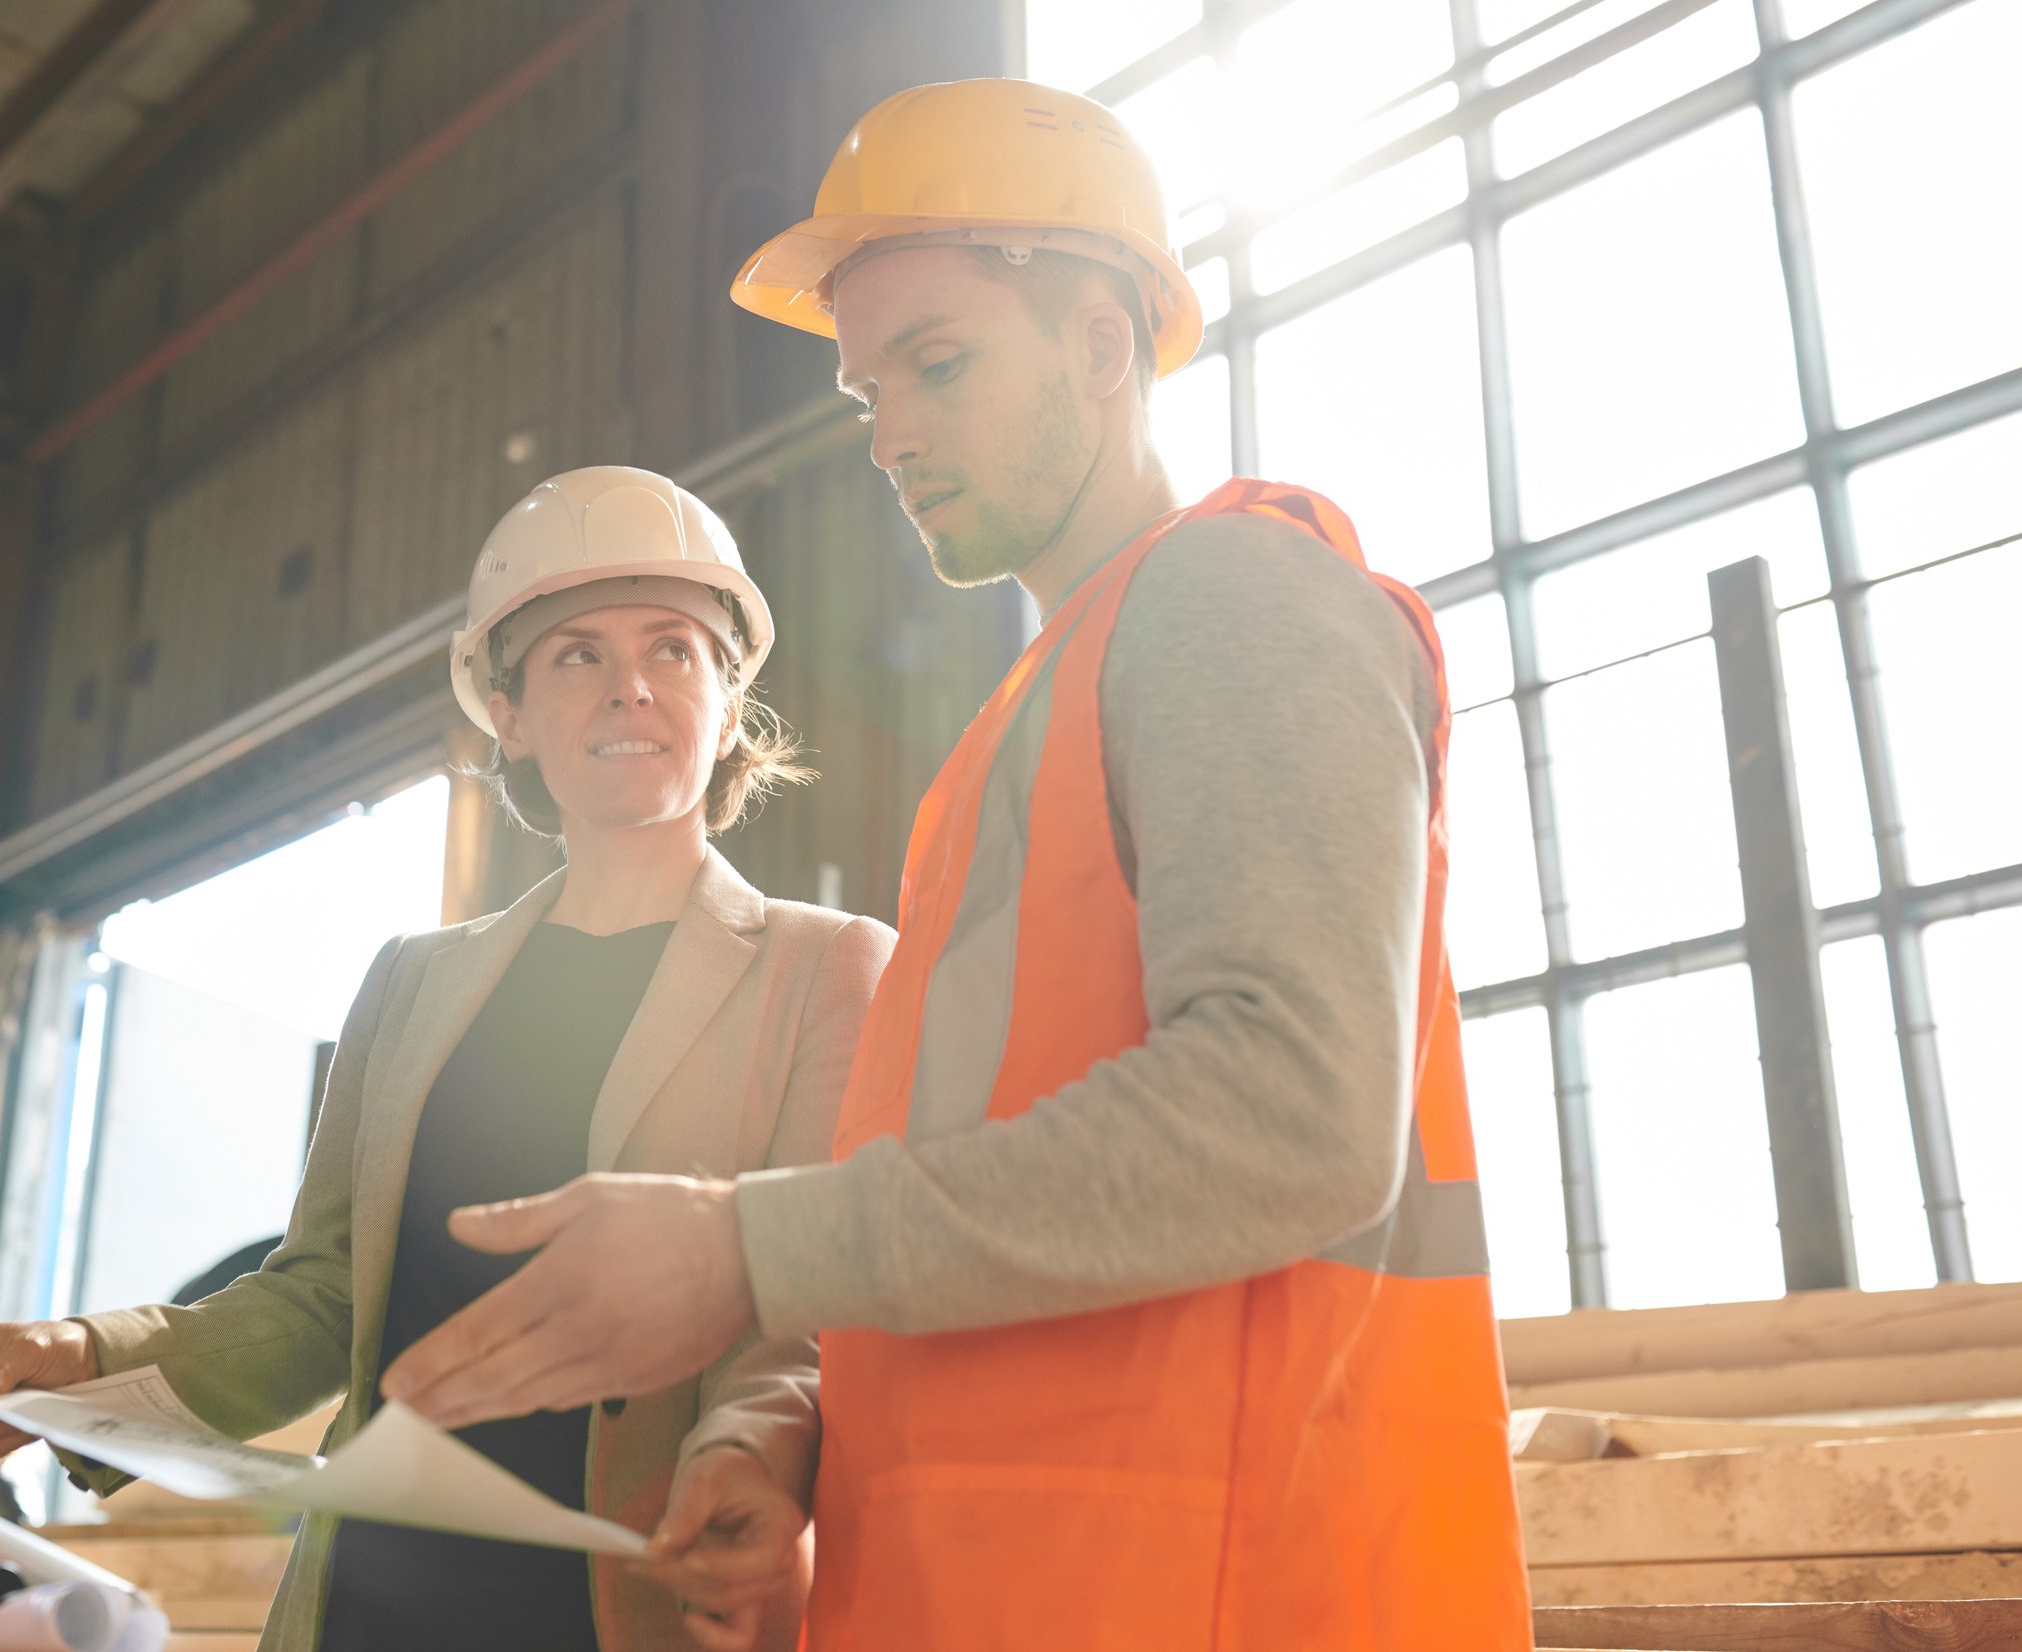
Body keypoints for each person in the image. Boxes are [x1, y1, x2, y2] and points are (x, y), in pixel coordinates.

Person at [376, 81, 1532, 1649]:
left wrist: (741, 1245)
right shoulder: (1022, 728)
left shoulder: (1233, 599)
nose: (892, 433)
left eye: (938, 364)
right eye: (869, 394)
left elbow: (1290, 1112)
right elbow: (999, 1211)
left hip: (1220, 1595)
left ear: (1106, 345)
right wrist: (787, 1437)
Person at [0, 466, 892, 1652]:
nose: (631, 686)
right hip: (371, 1602)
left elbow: (803, 1313)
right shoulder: (410, 982)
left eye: (675, 648)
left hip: (625, 1600)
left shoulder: (826, 968)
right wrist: (88, 1359)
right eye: (575, 655)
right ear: (510, 711)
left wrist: (749, 1458)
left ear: (728, 699)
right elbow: (325, 1296)